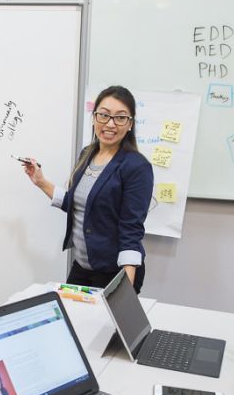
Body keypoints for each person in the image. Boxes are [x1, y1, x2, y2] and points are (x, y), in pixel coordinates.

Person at [20, 85, 153, 292]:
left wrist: (125, 290)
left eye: (120, 117)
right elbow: (81, 205)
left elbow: (131, 231)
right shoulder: (87, 154)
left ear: (130, 124)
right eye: (104, 115)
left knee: (108, 324)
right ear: (94, 117)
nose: (110, 124)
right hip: (82, 267)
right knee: (72, 320)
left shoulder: (136, 167)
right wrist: (40, 181)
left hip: (114, 272)